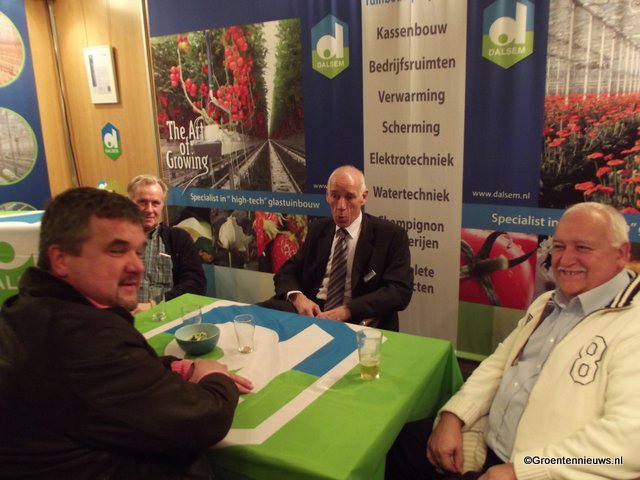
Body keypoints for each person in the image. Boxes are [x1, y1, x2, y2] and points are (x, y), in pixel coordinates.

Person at [0, 187, 252, 479]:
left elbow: (112, 381)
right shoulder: (86, 338)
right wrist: (215, 378)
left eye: (138, 252)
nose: (136, 266)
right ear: (61, 259)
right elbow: (202, 422)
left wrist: (176, 367)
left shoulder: (31, 308)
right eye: (117, 250)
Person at [386, 202, 640, 479]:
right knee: (396, 442)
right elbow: (498, 364)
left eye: (583, 248)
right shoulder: (548, 303)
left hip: (538, 469)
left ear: (621, 254)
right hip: (486, 443)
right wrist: (453, 417)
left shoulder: (632, 323)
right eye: (558, 246)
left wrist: (522, 470)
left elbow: (628, 444)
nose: (565, 260)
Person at [264, 165, 413, 331]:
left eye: (349, 197)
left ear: (363, 197)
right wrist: (298, 298)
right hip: (314, 312)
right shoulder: (319, 229)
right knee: (257, 316)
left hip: (358, 317)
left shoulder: (390, 236)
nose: (341, 206)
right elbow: (287, 272)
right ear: (327, 196)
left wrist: (347, 311)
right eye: (335, 196)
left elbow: (399, 291)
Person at [127, 174, 206, 306]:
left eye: (155, 203)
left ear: (163, 205)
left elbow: (196, 284)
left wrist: (154, 305)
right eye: (142, 202)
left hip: (165, 314)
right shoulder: (113, 240)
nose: (149, 210)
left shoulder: (179, 239)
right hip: (122, 316)